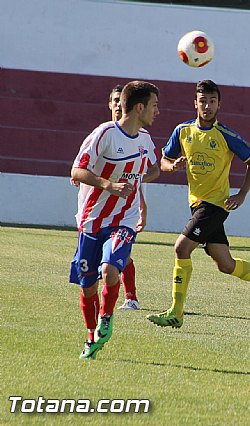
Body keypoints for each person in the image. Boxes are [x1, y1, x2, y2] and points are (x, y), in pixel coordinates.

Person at [146, 80, 250, 329]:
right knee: (226, 265)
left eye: (212, 101)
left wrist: (242, 194)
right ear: (195, 103)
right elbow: (164, 161)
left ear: (218, 104)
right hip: (197, 205)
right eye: (203, 101)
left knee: (181, 248)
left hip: (215, 204)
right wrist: (172, 166)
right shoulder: (182, 131)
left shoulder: (225, 134)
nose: (207, 105)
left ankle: (176, 312)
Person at [70, 81, 161, 359]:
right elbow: (77, 170)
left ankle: (106, 318)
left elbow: (155, 169)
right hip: (92, 221)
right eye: (155, 106)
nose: (158, 111)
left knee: (110, 271)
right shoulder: (104, 133)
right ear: (139, 107)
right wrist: (109, 185)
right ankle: (90, 338)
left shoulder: (145, 139)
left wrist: (135, 180)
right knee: (88, 287)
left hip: (124, 220)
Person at [72, 85, 146, 310]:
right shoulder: (102, 135)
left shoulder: (138, 138)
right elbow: (80, 169)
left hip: (122, 214)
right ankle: (97, 313)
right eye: (114, 101)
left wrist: (142, 206)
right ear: (110, 105)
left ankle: (130, 298)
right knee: (90, 277)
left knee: (118, 256)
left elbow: (137, 177)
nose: (117, 105)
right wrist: (87, 177)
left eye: (120, 101)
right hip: (92, 212)